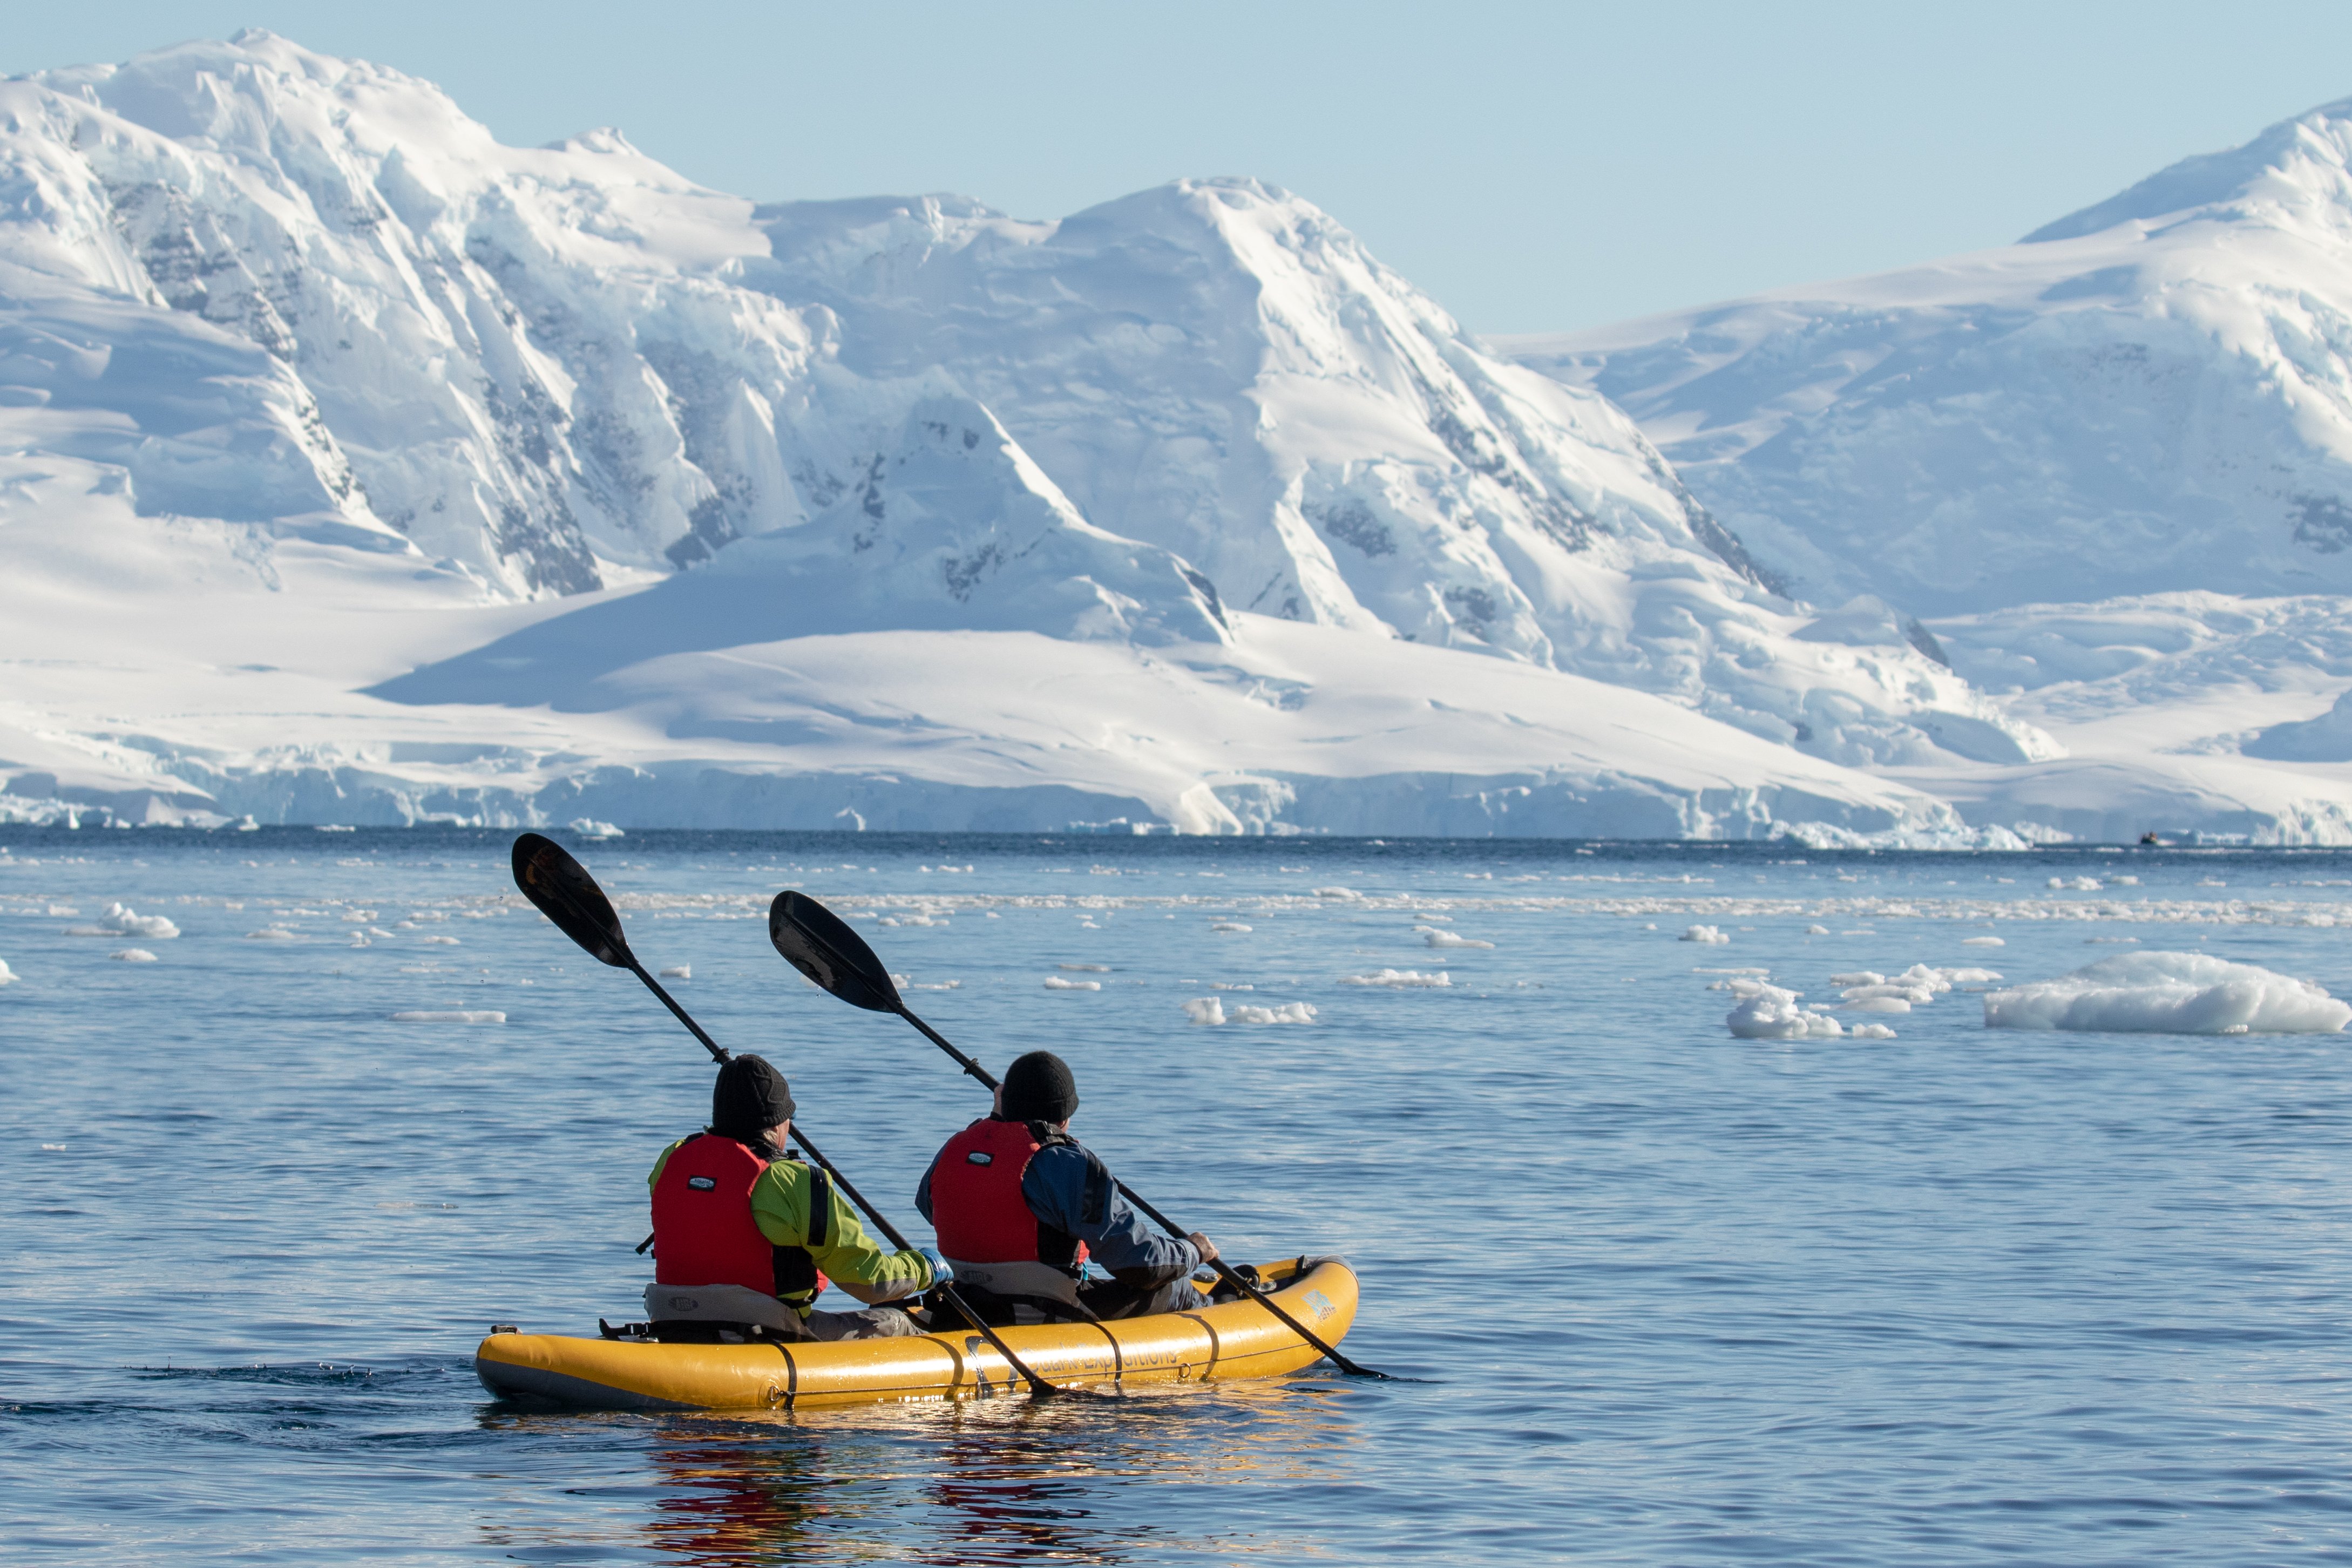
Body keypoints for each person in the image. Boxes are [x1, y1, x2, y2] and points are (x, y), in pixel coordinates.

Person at [916, 1049, 1218, 1325]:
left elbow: (931, 1209)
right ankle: (1224, 1309)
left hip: (965, 1301)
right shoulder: (1069, 1163)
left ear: (1004, 1101)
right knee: (1176, 1286)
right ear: (1065, 1116)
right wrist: (1192, 1250)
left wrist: (998, 1120)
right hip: (1043, 1313)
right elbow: (1139, 1266)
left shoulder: (956, 1146)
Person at [645, 1054, 934, 1342]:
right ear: (776, 1123)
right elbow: (869, 1282)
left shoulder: (672, 1158)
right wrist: (927, 1269)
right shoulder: (794, 1180)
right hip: (766, 1330)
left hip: (673, 1318)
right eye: (789, 1119)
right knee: (896, 1321)